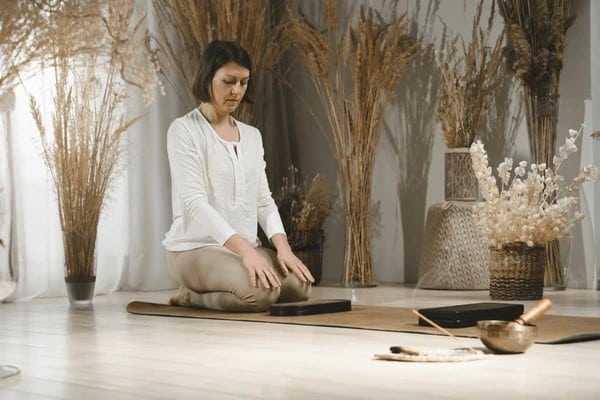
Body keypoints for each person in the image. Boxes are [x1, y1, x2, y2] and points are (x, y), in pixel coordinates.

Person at [163, 40, 314, 312]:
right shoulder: (183, 130)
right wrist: (246, 251)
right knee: (260, 295)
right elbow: (195, 203)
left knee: (300, 287)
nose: (237, 90)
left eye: (244, 82)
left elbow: (263, 201)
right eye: (228, 81)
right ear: (207, 78)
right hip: (194, 249)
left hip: (244, 249)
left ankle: (231, 279)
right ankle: (192, 296)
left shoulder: (252, 136)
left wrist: (284, 249)